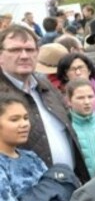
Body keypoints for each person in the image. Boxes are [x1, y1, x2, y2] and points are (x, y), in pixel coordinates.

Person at [0, 25, 89, 183]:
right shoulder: (3, 96)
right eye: (15, 50)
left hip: (69, 187)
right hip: (26, 198)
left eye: (30, 49)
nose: (24, 55)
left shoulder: (46, 86)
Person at [56, 52, 95, 116]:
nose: (78, 73)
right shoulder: (60, 98)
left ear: (89, 70)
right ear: (65, 75)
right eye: (72, 69)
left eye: (81, 68)